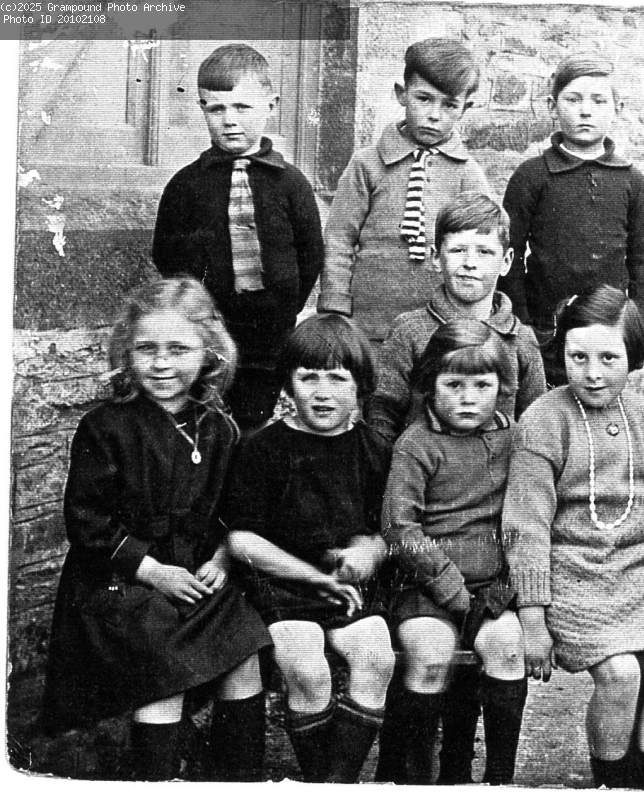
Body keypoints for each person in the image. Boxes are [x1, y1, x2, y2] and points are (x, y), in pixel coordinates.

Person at [41, 277, 271, 781]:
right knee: (161, 663)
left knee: (245, 645)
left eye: (178, 349)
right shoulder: (107, 426)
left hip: (191, 577)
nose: (161, 363)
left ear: (209, 352)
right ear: (127, 352)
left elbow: (234, 511)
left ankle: (240, 780)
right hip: (120, 585)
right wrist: (151, 571)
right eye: (146, 349)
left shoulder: (219, 427)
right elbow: (87, 523)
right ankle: (156, 778)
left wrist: (222, 558)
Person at [503, 285, 644, 789]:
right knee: (620, 673)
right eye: (578, 357)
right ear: (562, 354)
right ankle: (613, 784)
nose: (592, 372)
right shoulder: (544, 420)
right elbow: (526, 526)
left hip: (639, 575)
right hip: (571, 576)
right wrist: (533, 618)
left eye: (609, 358)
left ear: (633, 357)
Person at [222, 313, 394, 783]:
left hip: (348, 588)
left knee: (377, 657)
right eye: (308, 377)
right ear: (287, 384)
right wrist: (314, 577)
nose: (322, 392)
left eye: (338, 379)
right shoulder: (263, 449)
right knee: (306, 669)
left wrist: (368, 553)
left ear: (361, 388)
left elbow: (387, 529)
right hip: (281, 586)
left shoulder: (374, 449)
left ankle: (335, 783)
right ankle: (323, 782)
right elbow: (241, 539)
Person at [376, 320, 527, 786]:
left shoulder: (515, 439)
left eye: (482, 386)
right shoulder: (416, 444)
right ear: (429, 385)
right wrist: (450, 589)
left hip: (489, 588)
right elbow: (399, 528)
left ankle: (498, 780)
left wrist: (508, 584)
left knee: (507, 648)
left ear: (502, 388)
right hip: (424, 584)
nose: (468, 399)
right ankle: (408, 776)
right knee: (430, 652)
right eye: (453, 385)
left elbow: (528, 515)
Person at [152, 44, 324, 431]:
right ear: (202, 108)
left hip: (270, 332)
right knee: (205, 415)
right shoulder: (186, 185)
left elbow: (311, 253)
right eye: (216, 109)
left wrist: (284, 307)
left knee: (252, 419)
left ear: (271, 105)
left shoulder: (291, 184)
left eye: (242, 107)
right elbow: (167, 255)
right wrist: (198, 311)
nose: (229, 120)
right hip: (210, 329)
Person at [499, 54, 644, 386]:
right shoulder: (532, 176)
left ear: (617, 107)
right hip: (545, 330)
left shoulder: (632, 180)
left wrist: (639, 324)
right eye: (573, 100)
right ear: (552, 106)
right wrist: (522, 323)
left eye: (598, 101)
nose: (585, 111)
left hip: (609, 328)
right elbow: (509, 256)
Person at [320, 37, 490, 343]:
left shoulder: (468, 173)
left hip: (441, 323)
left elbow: (482, 247)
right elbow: (339, 238)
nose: (434, 115)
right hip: (369, 320)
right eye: (424, 98)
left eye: (449, 105)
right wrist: (335, 307)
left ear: (465, 109)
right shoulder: (367, 164)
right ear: (402, 94)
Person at [367, 191, 545, 446]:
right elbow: (383, 411)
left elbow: (535, 424)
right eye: (458, 250)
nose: (470, 263)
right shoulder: (409, 330)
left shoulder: (521, 339)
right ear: (436, 257)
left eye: (484, 252)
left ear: (506, 261)